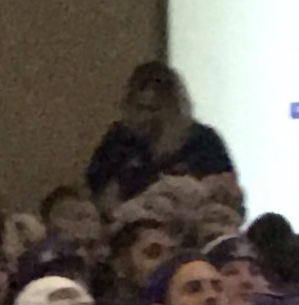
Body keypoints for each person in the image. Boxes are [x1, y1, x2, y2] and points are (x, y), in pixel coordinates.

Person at [83, 59, 238, 208]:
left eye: (155, 109)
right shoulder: (119, 140)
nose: (146, 117)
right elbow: (100, 193)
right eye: (140, 108)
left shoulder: (203, 141)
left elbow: (227, 191)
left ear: (176, 108)